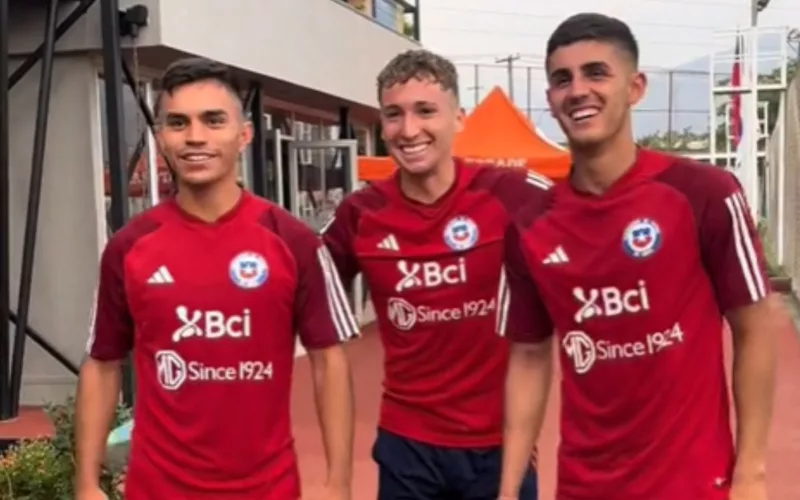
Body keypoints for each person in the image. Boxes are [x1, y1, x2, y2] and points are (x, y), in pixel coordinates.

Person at [498, 13, 787, 500]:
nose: (578, 90)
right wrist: (508, 489)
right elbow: (527, 357)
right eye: (561, 79)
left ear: (635, 87)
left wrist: (751, 472)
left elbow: (756, 325)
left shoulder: (702, 193)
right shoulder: (530, 224)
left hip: (692, 482)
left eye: (596, 73)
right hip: (584, 485)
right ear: (550, 100)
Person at [74, 57, 359, 500]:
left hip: (267, 489)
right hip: (157, 489)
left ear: (243, 135)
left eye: (213, 120)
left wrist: (339, 482)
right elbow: (101, 362)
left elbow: (330, 361)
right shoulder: (130, 246)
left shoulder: (295, 242)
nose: (195, 137)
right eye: (178, 122)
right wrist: (87, 482)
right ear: (161, 137)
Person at [322, 49, 550, 499]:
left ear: (459, 118)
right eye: (393, 115)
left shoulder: (516, 194)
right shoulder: (361, 213)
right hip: (408, 446)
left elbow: (597, 240)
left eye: (425, 111)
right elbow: (295, 279)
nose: (409, 131)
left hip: (499, 446)